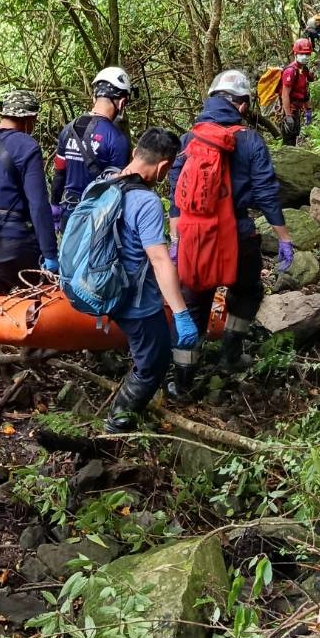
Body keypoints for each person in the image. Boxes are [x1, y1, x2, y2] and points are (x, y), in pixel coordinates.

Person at [168, 72, 293, 384]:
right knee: (248, 291)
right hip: (238, 234)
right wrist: (284, 238)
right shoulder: (250, 140)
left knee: (194, 303)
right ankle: (230, 355)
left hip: (196, 237)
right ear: (242, 105)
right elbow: (266, 192)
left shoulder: (189, 139)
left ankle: (182, 379)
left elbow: (176, 193)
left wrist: (175, 240)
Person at [0, 90, 59, 425]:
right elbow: (38, 204)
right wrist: (50, 253)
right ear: (28, 119)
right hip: (13, 243)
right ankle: (31, 358)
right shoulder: (27, 146)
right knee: (42, 295)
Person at [101, 128, 200, 433]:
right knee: (154, 362)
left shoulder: (103, 183)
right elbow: (158, 260)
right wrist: (181, 313)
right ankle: (118, 422)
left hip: (102, 286)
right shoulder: (146, 202)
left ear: (135, 153)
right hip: (135, 300)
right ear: (164, 167)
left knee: (143, 350)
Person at [49, 67, 132, 232]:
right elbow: (118, 188)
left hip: (69, 214)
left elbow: (59, 173)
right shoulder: (117, 139)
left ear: (94, 97)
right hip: (97, 220)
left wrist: (54, 204)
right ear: (122, 102)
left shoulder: (68, 130)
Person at [279, 39, 314, 146]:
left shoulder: (304, 70)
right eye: (302, 54)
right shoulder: (290, 71)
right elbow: (285, 94)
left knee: (294, 136)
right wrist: (288, 116)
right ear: (295, 54)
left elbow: (304, 91)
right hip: (289, 110)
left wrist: (308, 109)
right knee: (288, 140)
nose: (305, 57)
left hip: (297, 109)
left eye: (307, 54)